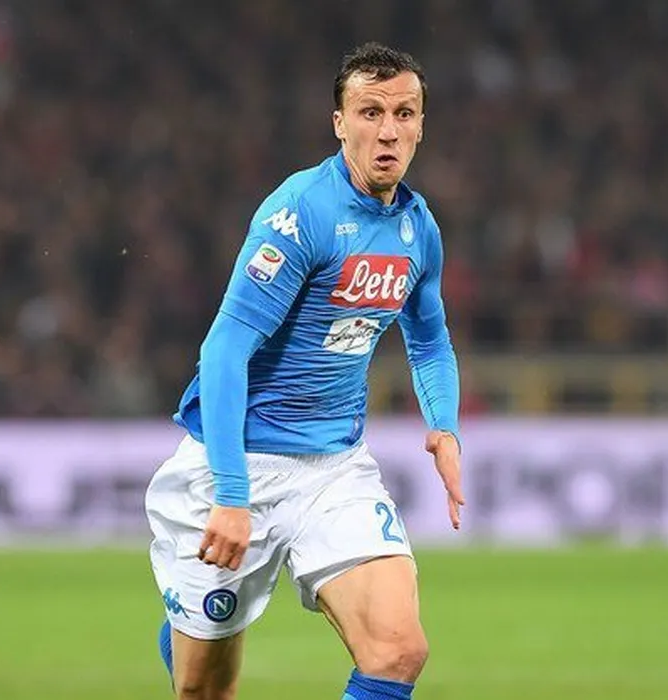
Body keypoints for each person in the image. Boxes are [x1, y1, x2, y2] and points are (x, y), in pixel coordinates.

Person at [144, 42, 464, 700]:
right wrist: (232, 494)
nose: (388, 130)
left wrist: (444, 426)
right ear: (339, 123)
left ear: (421, 126)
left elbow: (429, 337)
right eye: (370, 112)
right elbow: (224, 351)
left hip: (334, 469)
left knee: (398, 650)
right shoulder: (300, 214)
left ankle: (191, 626)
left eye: (404, 113)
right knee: (202, 690)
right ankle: (186, 631)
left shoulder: (417, 227)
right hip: (238, 466)